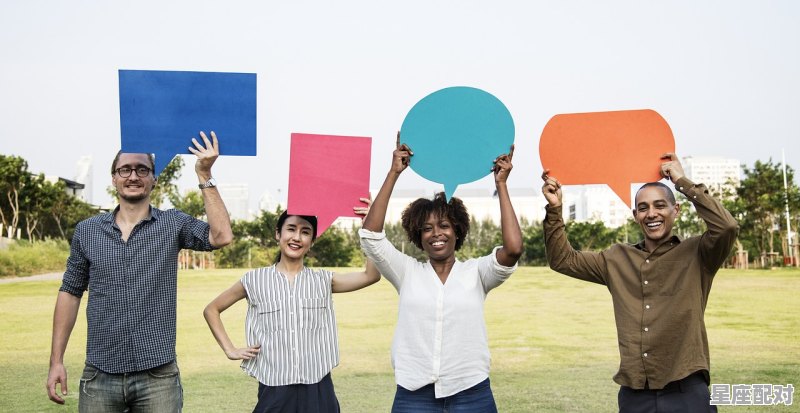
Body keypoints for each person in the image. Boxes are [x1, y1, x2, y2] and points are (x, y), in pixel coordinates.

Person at [46, 131, 234, 412]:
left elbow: (221, 236)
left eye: (142, 169)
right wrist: (56, 361)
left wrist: (204, 172)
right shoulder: (87, 231)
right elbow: (70, 293)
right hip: (99, 374)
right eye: (125, 169)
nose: (133, 176)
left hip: (157, 376)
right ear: (114, 178)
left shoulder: (173, 224)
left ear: (153, 179)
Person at [541, 153, 738, 413]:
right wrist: (555, 209)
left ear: (675, 210)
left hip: (687, 391)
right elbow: (562, 260)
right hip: (635, 395)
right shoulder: (616, 259)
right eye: (643, 208)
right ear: (635, 215)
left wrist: (682, 182)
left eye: (660, 205)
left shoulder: (699, 253)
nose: (651, 214)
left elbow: (726, 227)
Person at [359, 134, 523, 413]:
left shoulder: (477, 273)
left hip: (471, 392)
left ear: (457, 231)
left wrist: (501, 185)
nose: (436, 233)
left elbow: (513, 248)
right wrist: (394, 173)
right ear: (417, 236)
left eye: (444, 225)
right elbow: (371, 236)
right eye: (426, 228)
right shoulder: (407, 272)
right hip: (414, 395)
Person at [203, 204, 381, 413]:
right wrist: (230, 349)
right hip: (274, 389)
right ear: (278, 234)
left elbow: (371, 275)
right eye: (291, 229)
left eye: (305, 232)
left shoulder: (324, 280)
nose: (297, 237)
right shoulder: (254, 280)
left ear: (312, 241)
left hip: (318, 387)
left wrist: (370, 227)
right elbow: (212, 309)